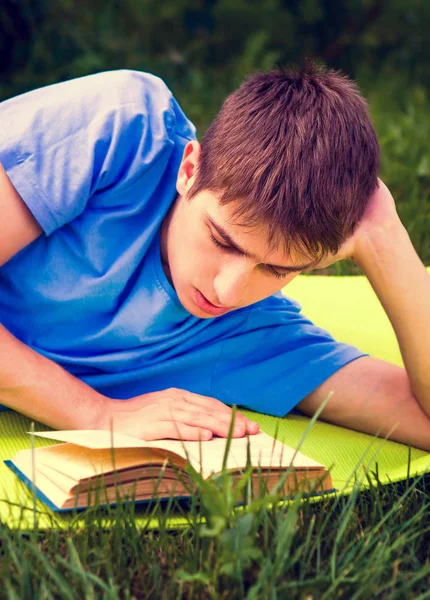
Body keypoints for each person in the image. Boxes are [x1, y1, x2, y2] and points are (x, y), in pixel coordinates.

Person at [0, 65, 429, 451]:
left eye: (277, 269)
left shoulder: (248, 333)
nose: (229, 291)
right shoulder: (122, 130)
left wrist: (383, 237)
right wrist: (97, 414)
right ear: (189, 171)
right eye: (223, 241)